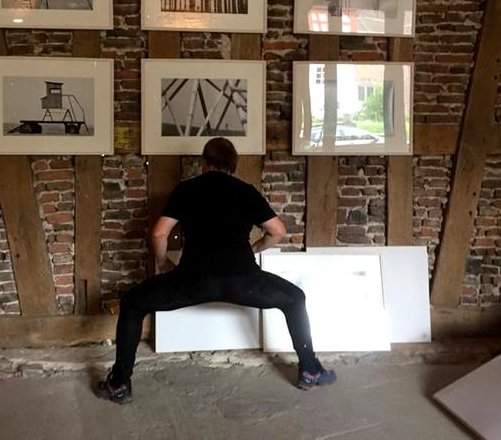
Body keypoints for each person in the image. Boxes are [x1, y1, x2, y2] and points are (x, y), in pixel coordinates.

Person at [95, 137, 336, 404]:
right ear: (233, 165)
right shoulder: (246, 191)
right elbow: (277, 231)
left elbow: (159, 234)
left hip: (193, 282)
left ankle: (119, 384)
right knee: (295, 298)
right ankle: (311, 371)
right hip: (244, 281)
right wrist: (254, 249)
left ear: (204, 162)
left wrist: (163, 263)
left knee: (132, 303)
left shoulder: (186, 190)